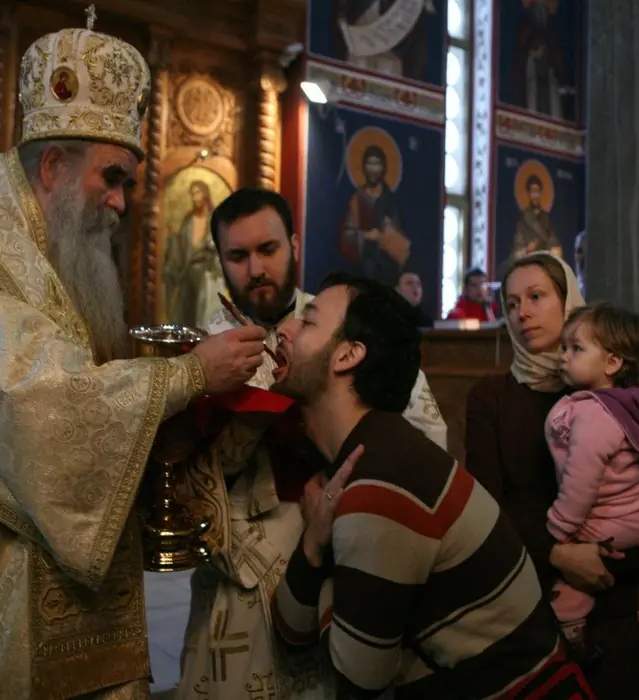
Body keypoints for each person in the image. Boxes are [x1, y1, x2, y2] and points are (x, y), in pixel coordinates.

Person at [0, 20, 267, 699]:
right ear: (54, 167)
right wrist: (187, 374)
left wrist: (164, 435)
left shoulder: (51, 261)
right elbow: (34, 400)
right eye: (113, 177)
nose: (123, 203)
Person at [174, 188, 447, 699]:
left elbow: (425, 439)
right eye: (238, 256)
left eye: (269, 250)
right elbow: (184, 485)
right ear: (221, 262)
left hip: (336, 570)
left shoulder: (344, 322)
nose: (256, 268)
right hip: (236, 582)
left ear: (294, 244)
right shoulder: (206, 352)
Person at [270, 273, 594, 699]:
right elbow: (289, 634)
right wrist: (313, 544)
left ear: (347, 354)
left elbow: (361, 680)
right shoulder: (355, 462)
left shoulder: (384, 481)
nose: (284, 331)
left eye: (307, 323)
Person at [464, 252, 639, 699]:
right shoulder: (490, 397)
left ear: (569, 302)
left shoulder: (618, 391)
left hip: (616, 608)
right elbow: (488, 510)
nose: (522, 312)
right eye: (511, 303)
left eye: (536, 296)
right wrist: (559, 555)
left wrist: (600, 561)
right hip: (528, 609)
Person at [545, 302, 639, 656]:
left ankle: (571, 629)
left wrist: (561, 530)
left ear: (612, 363)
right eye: (564, 347)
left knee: (579, 559)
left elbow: (581, 481)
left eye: (576, 349)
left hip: (612, 521)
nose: (563, 357)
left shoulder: (594, 415)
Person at [339, 145, 409, 286]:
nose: (373, 169)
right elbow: (346, 235)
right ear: (364, 167)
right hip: (363, 269)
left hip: (387, 271)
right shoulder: (358, 198)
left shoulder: (390, 200)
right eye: (369, 164)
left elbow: (401, 241)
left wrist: (388, 234)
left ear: (383, 168)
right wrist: (365, 236)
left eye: (377, 164)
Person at [161, 179, 225, 328]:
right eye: (192, 194)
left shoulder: (215, 220)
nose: (195, 197)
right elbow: (180, 247)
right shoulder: (188, 220)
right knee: (184, 317)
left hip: (207, 275)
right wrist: (171, 239)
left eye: (197, 193)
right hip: (187, 273)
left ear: (205, 194)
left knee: (204, 318)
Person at [511, 176, 561, 261]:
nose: (535, 195)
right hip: (528, 261)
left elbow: (553, 240)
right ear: (529, 194)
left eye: (537, 191)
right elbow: (517, 249)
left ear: (541, 193)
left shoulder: (546, 218)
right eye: (533, 192)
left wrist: (553, 248)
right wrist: (528, 248)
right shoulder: (523, 220)